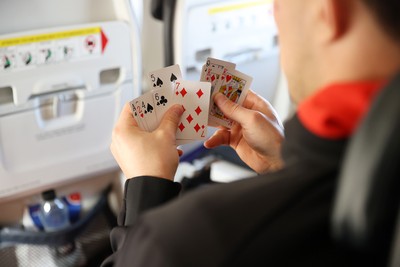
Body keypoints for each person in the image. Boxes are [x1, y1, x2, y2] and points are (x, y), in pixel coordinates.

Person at [102, 0, 400, 266]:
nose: (274, 11)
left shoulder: (184, 241)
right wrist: (283, 166)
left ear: (330, 10)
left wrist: (145, 189)